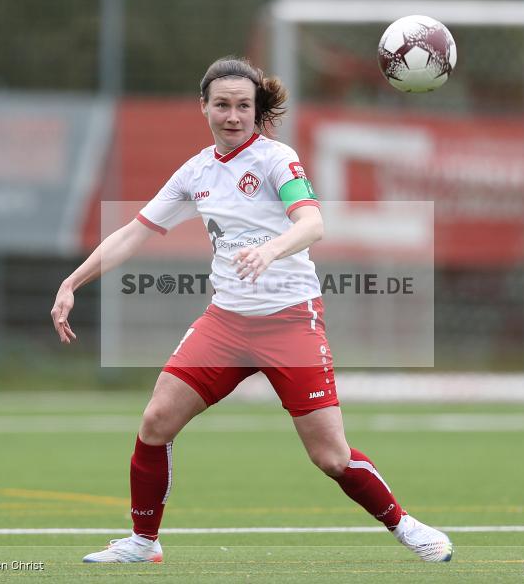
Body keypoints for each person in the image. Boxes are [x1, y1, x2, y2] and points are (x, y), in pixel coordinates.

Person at [50, 56, 453, 564]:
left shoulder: (276, 159)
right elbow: (134, 233)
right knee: (155, 422)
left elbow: (312, 224)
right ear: (204, 107)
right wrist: (72, 281)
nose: (233, 115)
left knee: (330, 456)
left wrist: (270, 249)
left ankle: (406, 526)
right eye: (222, 105)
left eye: (244, 105)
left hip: (290, 322)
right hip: (225, 323)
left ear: (256, 109)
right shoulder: (195, 171)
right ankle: (143, 543)